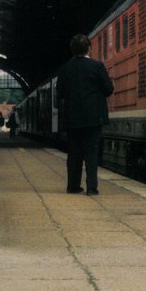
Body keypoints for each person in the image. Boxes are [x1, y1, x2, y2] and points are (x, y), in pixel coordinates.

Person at [56, 34, 114, 196]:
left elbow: (60, 93)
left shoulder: (65, 68)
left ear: (72, 50)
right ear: (89, 48)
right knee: (91, 153)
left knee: (74, 153)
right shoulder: (97, 66)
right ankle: (92, 188)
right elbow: (108, 89)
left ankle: (73, 186)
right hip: (94, 118)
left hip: (73, 118)